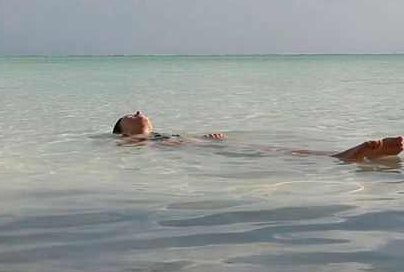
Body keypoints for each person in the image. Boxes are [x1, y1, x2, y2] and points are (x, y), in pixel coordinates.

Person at [112, 111, 403, 161]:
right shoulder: (130, 143)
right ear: (123, 131)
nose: (138, 112)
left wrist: (205, 139)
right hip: (209, 157)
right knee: (278, 153)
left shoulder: (157, 136)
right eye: (130, 116)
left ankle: (363, 155)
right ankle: (341, 157)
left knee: (273, 149)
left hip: (209, 150)